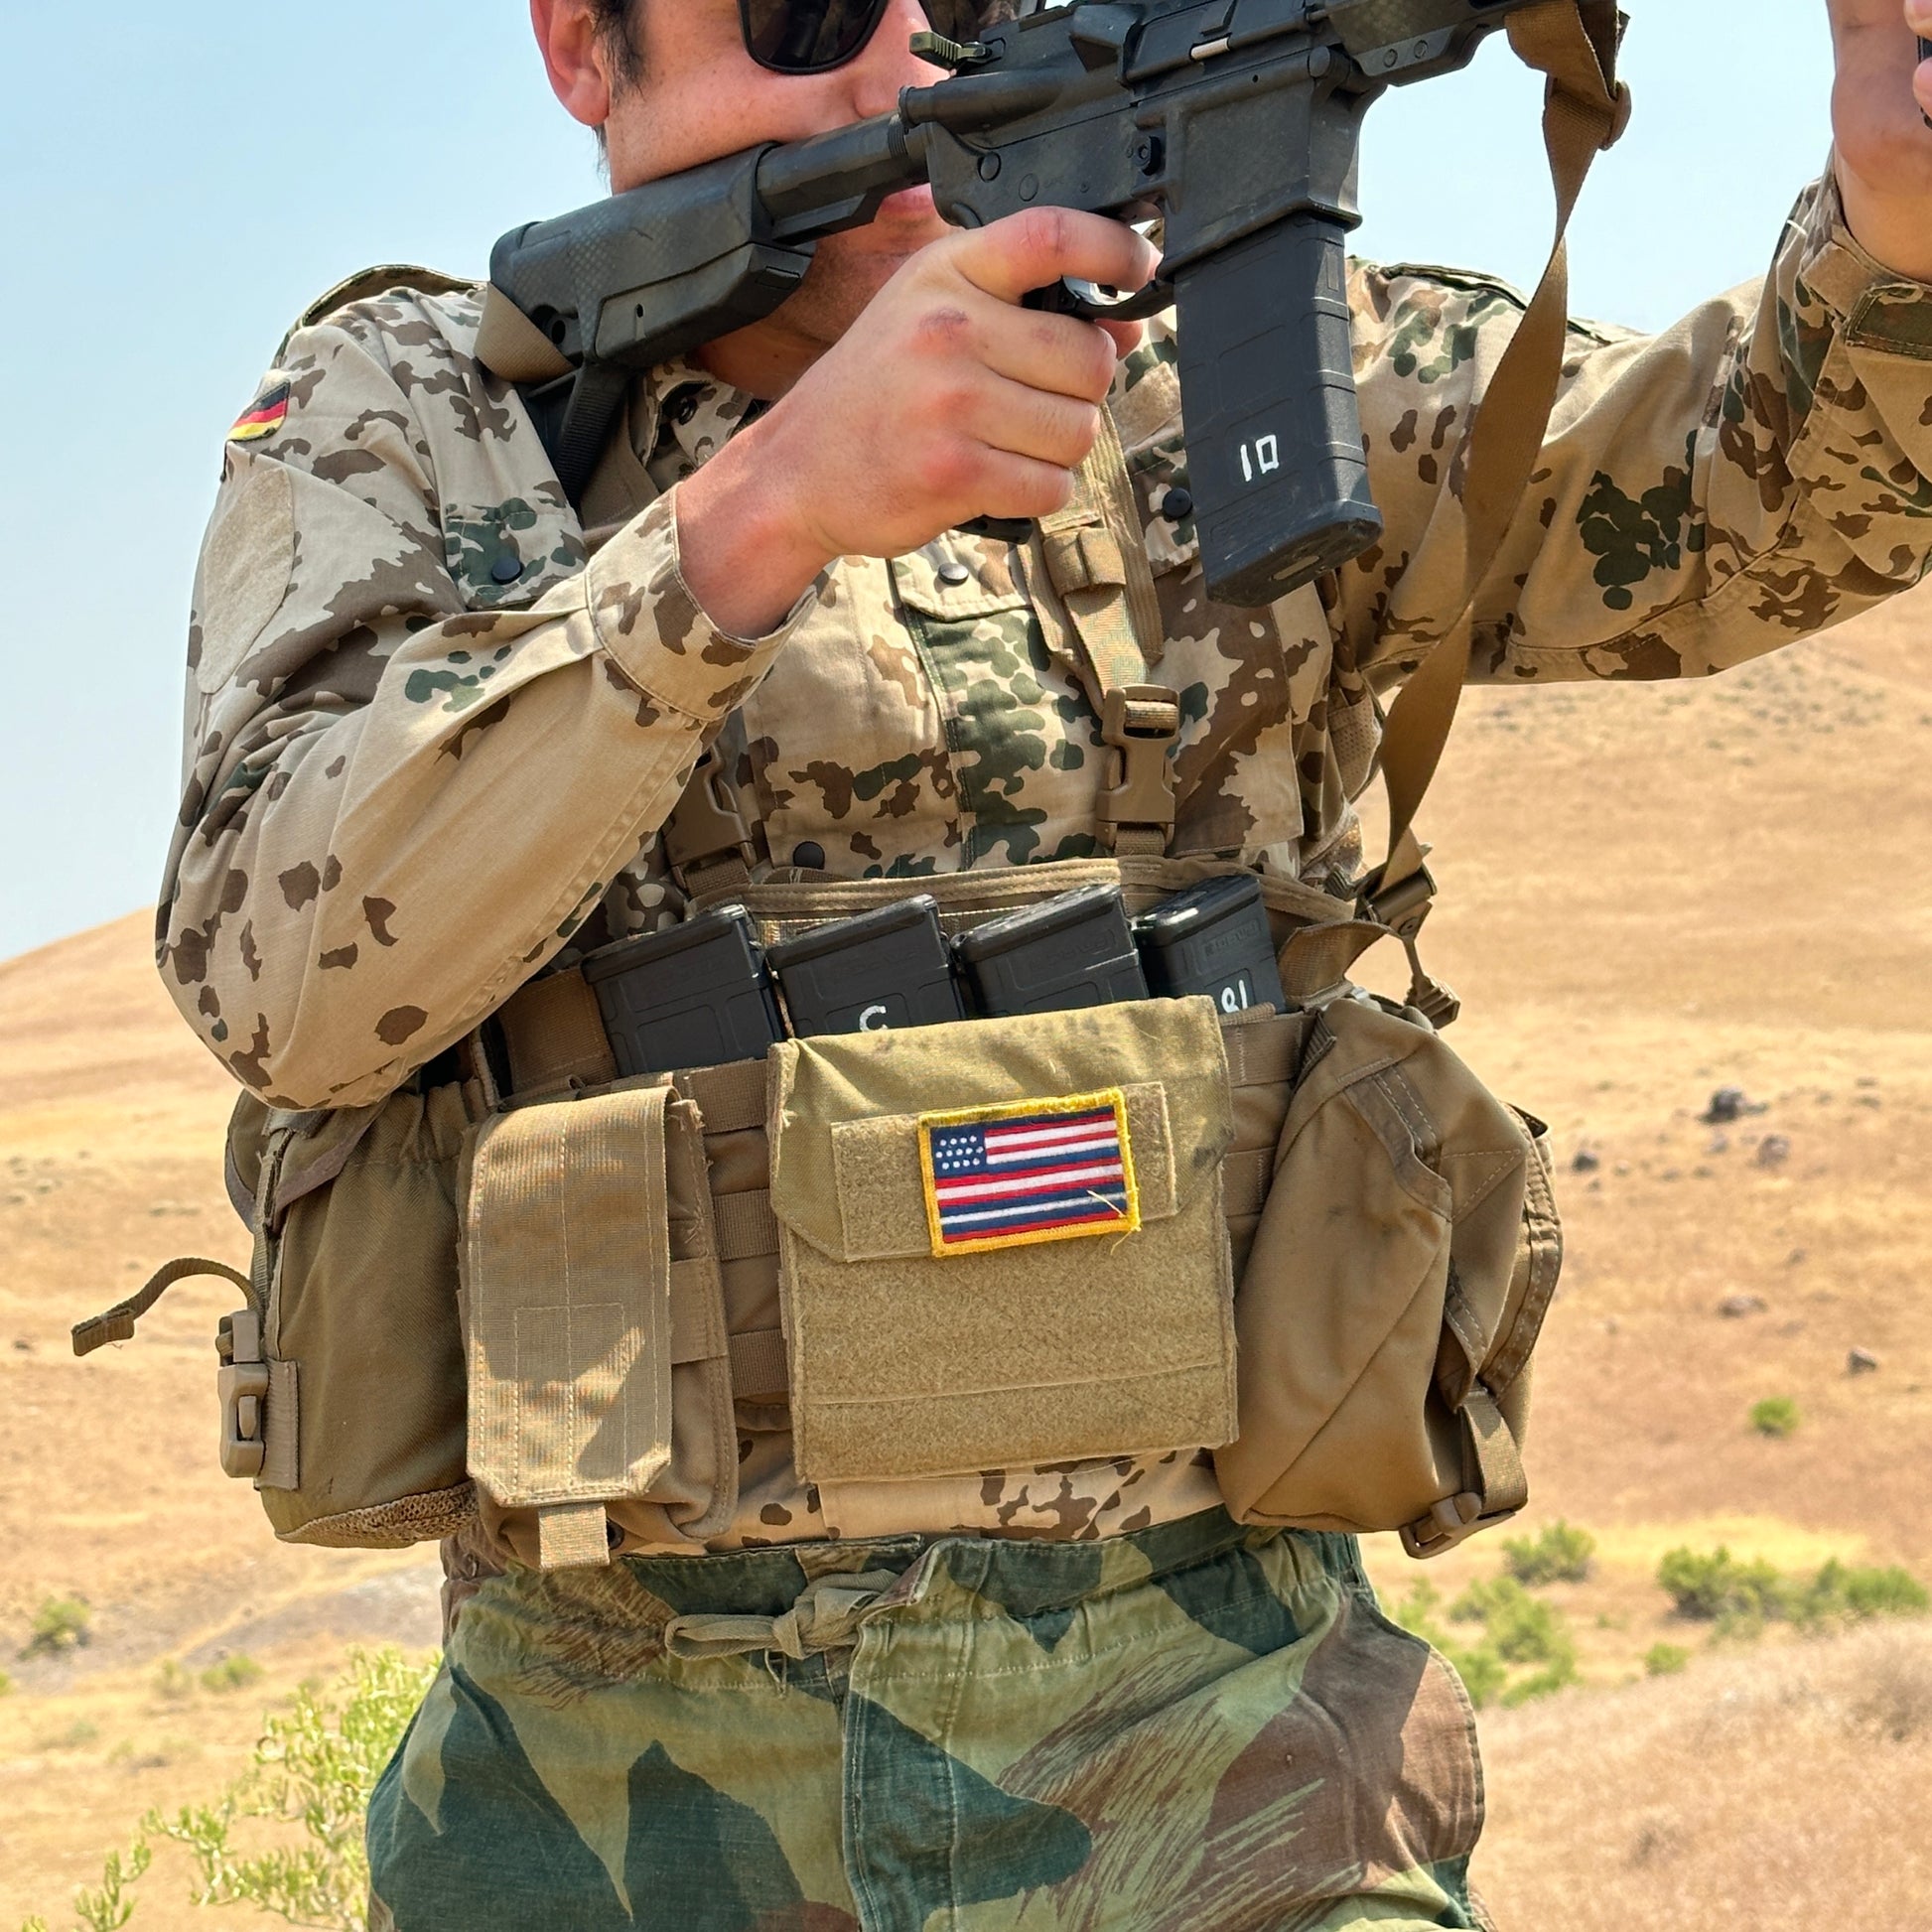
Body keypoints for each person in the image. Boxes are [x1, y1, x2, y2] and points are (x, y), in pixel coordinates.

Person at [157, 1, 1932, 1925]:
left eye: (976, 8)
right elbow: (281, 960)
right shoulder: (419, 405)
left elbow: (1743, 500)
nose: (906, 63)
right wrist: (752, 527)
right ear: (583, 49)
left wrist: (1892, 233)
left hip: (1225, 1736)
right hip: (613, 1768)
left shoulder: (1223, 379)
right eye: (810, 13)